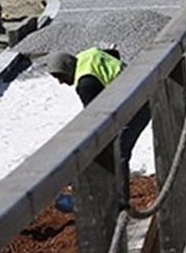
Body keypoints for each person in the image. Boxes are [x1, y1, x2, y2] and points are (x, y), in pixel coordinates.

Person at [48, 47, 150, 195]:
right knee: (114, 149)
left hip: (138, 104)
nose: (60, 82)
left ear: (68, 69)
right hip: (142, 87)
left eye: (61, 76)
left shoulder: (86, 84)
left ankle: (120, 200)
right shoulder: (87, 55)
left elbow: (94, 120)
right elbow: (114, 54)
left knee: (117, 153)